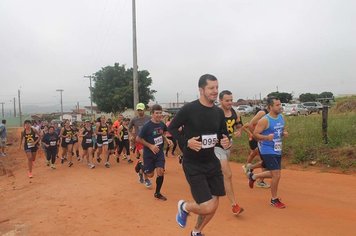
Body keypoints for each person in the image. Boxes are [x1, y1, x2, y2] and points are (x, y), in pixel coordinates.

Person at [169, 74, 231, 236]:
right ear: (201, 90)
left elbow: (222, 135)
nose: (215, 91)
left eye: (216, 87)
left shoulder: (218, 113)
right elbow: (172, 128)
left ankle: (196, 231)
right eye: (211, 88)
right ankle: (184, 206)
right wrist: (186, 142)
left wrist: (226, 142)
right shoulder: (190, 109)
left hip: (212, 162)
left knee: (214, 204)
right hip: (193, 163)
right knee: (207, 206)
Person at [249, 96, 288, 209]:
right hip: (267, 149)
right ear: (270, 107)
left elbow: (280, 132)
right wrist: (266, 138)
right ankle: (274, 199)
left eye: (280, 104)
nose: (280, 106)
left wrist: (283, 133)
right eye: (277, 105)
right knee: (276, 175)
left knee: (275, 174)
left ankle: (254, 176)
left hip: (277, 148)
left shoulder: (281, 117)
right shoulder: (265, 120)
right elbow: (255, 134)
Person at [214, 90, 244, 215]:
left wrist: (239, 131)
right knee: (228, 174)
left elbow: (239, 125)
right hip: (216, 147)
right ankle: (234, 205)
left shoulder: (235, 112)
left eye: (231, 100)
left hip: (228, 147)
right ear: (220, 100)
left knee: (221, 173)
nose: (230, 102)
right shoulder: (215, 113)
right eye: (227, 100)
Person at [136, 104, 173, 201]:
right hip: (149, 154)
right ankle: (140, 166)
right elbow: (138, 138)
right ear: (152, 114)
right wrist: (150, 146)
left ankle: (157, 193)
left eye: (160, 113)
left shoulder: (161, 124)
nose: (159, 115)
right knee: (150, 175)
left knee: (160, 171)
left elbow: (163, 132)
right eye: (157, 113)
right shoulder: (147, 126)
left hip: (159, 152)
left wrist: (166, 139)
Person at [242, 106, 271, 188]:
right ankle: (258, 179)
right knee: (262, 161)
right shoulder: (262, 115)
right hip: (256, 140)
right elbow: (247, 125)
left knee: (256, 156)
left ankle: (249, 167)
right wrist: (253, 135)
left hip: (263, 142)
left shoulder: (268, 119)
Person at [129, 103, 151, 185]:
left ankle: (140, 170)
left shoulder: (149, 118)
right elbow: (129, 128)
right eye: (138, 110)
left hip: (148, 141)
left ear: (144, 110)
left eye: (141, 110)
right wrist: (132, 135)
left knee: (147, 159)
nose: (140, 111)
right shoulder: (134, 119)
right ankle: (147, 179)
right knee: (145, 157)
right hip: (139, 141)